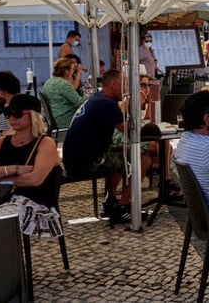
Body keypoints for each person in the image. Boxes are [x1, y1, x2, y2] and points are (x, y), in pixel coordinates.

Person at [0, 94, 63, 237]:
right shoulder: (0, 142)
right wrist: (14, 169)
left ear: (32, 116)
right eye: (8, 114)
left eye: (17, 114)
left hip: (34, 204)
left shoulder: (46, 143)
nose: (11, 118)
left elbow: (35, 179)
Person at [63, 70, 151, 224]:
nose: (126, 89)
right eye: (124, 84)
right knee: (144, 159)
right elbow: (132, 133)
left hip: (74, 157)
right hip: (86, 162)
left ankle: (110, 201)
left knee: (119, 152)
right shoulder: (107, 104)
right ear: (114, 85)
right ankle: (123, 206)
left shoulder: (96, 98)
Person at [42, 57, 88, 129]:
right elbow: (79, 102)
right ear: (66, 71)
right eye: (72, 69)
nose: (73, 72)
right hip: (66, 120)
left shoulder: (49, 82)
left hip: (57, 118)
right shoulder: (63, 84)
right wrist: (94, 97)